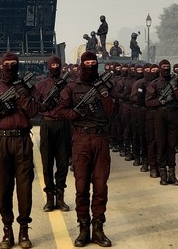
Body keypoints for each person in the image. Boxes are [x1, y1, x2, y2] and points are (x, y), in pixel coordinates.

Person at [0, 52, 40, 249]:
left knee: (25, 186)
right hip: (2, 141)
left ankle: (23, 229)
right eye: (7, 64)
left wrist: (22, 96)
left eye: (14, 64)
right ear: (0, 66)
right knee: (4, 186)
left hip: (22, 139)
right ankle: (7, 229)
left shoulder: (25, 87)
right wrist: (0, 111)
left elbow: (33, 112)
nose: (11, 67)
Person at [57, 51, 117, 247]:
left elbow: (112, 111)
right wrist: (75, 113)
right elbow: (60, 110)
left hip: (100, 138)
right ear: (81, 65)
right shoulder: (72, 87)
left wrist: (103, 92)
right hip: (81, 138)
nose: (91, 66)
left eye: (94, 62)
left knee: (101, 186)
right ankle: (83, 228)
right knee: (81, 187)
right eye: (87, 63)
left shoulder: (104, 85)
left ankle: (98, 229)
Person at [35, 55, 71, 213]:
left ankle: (60, 197)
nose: (55, 67)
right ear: (48, 66)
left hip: (63, 124)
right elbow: (36, 106)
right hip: (48, 124)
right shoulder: (41, 85)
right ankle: (50, 198)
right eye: (52, 64)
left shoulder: (68, 85)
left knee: (63, 163)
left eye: (57, 64)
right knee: (47, 162)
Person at [146, 59, 178, 186]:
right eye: (164, 66)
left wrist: (175, 89)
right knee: (161, 144)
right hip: (160, 114)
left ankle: (172, 174)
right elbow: (149, 102)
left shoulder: (176, 82)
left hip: (173, 114)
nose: (166, 69)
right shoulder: (154, 84)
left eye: (168, 66)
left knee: (171, 145)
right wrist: (161, 101)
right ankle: (163, 174)